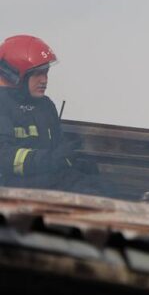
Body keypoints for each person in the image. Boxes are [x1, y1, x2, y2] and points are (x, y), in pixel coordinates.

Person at [0, 34, 95, 192]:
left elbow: (58, 149)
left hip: (47, 181)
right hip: (14, 192)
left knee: (96, 186)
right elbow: (3, 156)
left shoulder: (45, 106)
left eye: (46, 73)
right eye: (38, 74)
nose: (44, 80)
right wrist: (50, 159)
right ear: (14, 74)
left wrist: (73, 161)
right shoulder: (2, 105)